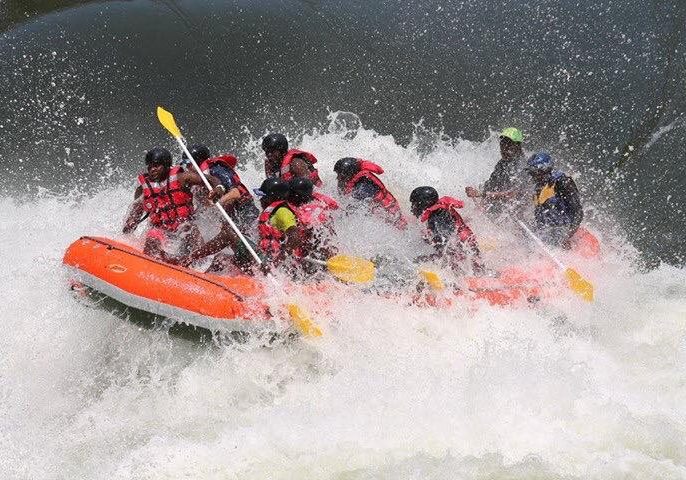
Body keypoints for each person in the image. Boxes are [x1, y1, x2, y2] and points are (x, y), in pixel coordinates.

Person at [122, 147, 225, 261]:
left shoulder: (183, 178)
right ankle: (152, 264)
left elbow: (211, 180)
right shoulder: (143, 189)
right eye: (150, 166)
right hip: (161, 230)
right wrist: (128, 230)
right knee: (152, 238)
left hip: (183, 226)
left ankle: (197, 266)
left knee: (190, 231)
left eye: (156, 166)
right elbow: (135, 213)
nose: (152, 169)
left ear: (166, 166)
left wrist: (219, 188)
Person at [409, 186, 484, 275]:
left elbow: (448, 247)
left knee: (417, 261)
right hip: (469, 251)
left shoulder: (436, 218)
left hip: (465, 257)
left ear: (423, 204)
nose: (412, 208)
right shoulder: (441, 211)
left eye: (414, 204)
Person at [465, 127, 530, 217]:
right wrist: (475, 192)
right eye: (502, 144)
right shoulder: (502, 163)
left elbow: (512, 195)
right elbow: (491, 187)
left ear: (517, 146)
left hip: (518, 211)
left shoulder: (522, 166)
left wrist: (480, 194)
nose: (504, 148)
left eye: (508, 144)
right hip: (503, 207)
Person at [526, 152, 583, 248]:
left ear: (544, 170)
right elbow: (540, 219)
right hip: (547, 233)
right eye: (530, 173)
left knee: (554, 237)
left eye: (534, 172)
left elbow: (578, 213)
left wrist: (567, 237)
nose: (532, 176)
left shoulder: (563, 182)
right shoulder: (538, 188)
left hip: (563, 231)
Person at [333, 157, 408, 229]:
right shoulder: (358, 181)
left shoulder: (362, 188)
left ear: (349, 174)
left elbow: (357, 211)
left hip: (391, 220)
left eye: (340, 175)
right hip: (388, 214)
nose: (338, 178)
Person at [255, 177, 310, 268]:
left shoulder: (282, 212)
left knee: (229, 232)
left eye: (263, 196)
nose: (260, 199)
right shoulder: (272, 212)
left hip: (277, 263)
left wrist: (277, 261)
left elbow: (295, 238)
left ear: (272, 197)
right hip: (268, 257)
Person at [287, 177, 339, 260]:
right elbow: (337, 208)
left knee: (318, 236)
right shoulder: (320, 199)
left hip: (317, 247)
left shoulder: (308, 213)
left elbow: (311, 231)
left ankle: (329, 257)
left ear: (297, 195)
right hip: (327, 238)